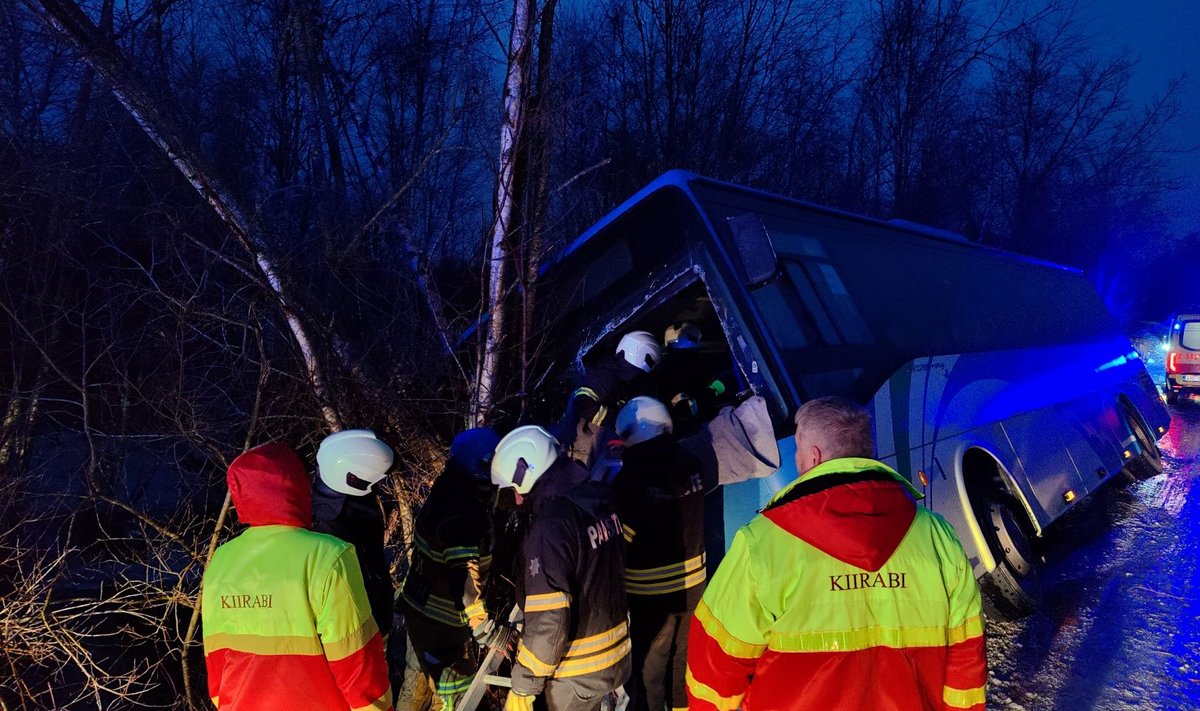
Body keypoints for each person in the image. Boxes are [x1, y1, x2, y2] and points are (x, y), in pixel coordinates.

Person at [686, 396, 987, 711]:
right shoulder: (939, 536)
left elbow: (715, 665)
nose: (797, 458)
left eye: (798, 450)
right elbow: (966, 661)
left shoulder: (762, 542)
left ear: (814, 457)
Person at [202, 442, 393, 711]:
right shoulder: (329, 555)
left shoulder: (221, 560)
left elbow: (217, 667)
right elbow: (357, 664)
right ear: (297, 487)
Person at [490, 425, 631, 711]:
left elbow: (549, 620)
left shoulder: (550, 527)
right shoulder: (597, 498)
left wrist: (524, 684)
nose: (516, 500)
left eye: (513, 490)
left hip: (576, 672)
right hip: (615, 656)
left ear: (526, 474)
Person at [613, 397, 708, 711]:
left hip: (651, 595)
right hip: (694, 586)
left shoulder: (631, 479)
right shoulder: (690, 461)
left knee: (650, 667)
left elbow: (622, 540)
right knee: (683, 662)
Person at [397, 427, 501, 711]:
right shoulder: (461, 510)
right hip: (439, 623)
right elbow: (464, 572)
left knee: (417, 682)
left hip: (422, 611)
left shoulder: (448, 490)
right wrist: (484, 626)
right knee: (449, 691)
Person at [313, 429, 396, 639]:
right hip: (360, 628)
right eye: (374, 481)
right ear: (353, 478)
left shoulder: (336, 500)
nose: (378, 487)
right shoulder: (333, 524)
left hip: (368, 620)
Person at [559, 330, 662, 467]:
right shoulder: (605, 374)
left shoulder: (621, 375)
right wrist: (615, 421)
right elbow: (584, 404)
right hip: (584, 444)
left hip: (600, 443)